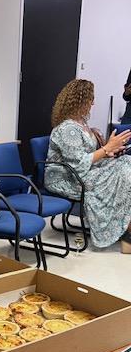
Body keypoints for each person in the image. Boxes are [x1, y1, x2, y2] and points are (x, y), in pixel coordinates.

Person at [44, 79, 131, 252]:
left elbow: (88, 156)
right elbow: (78, 163)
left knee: (127, 163)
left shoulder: (82, 123)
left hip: (82, 172)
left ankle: (126, 230)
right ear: (80, 100)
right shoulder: (67, 129)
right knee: (125, 174)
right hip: (66, 178)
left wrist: (109, 150)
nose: (93, 103)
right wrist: (107, 149)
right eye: (91, 99)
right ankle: (127, 235)